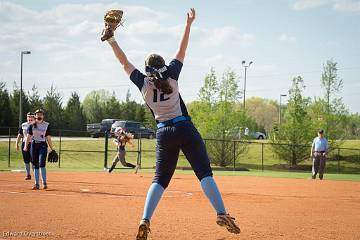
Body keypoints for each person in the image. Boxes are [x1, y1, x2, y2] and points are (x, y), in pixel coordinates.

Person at [102, 8, 240, 240]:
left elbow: (124, 62)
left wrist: (112, 39)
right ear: (163, 64)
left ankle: (145, 219)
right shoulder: (172, 74)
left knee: (159, 179)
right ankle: (221, 213)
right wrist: (188, 24)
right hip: (184, 127)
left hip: (164, 132)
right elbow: (182, 49)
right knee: (204, 173)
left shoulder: (142, 82)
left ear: (147, 69)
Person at [24, 109, 55, 190]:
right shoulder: (31, 125)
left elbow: (48, 137)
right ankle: (36, 184)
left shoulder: (46, 125)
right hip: (34, 145)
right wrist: (25, 146)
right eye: (37, 114)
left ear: (43, 116)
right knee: (35, 165)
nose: (39, 116)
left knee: (42, 163)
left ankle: (44, 183)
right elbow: (29, 136)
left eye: (41, 114)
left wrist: (52, 148)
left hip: (42, 145)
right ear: (35, 116)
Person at [15, 112, 35, 180]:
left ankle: (36, 174)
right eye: (28, 116)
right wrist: (16, 143)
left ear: (34, 117)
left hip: (33, 144)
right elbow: (20, 135)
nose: (30, 118)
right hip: (24, 144)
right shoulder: (23, 125)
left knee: (33, 160)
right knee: (26, 160)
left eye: (31, 116)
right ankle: (28, 174)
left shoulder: (36, 125)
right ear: (27, 117)